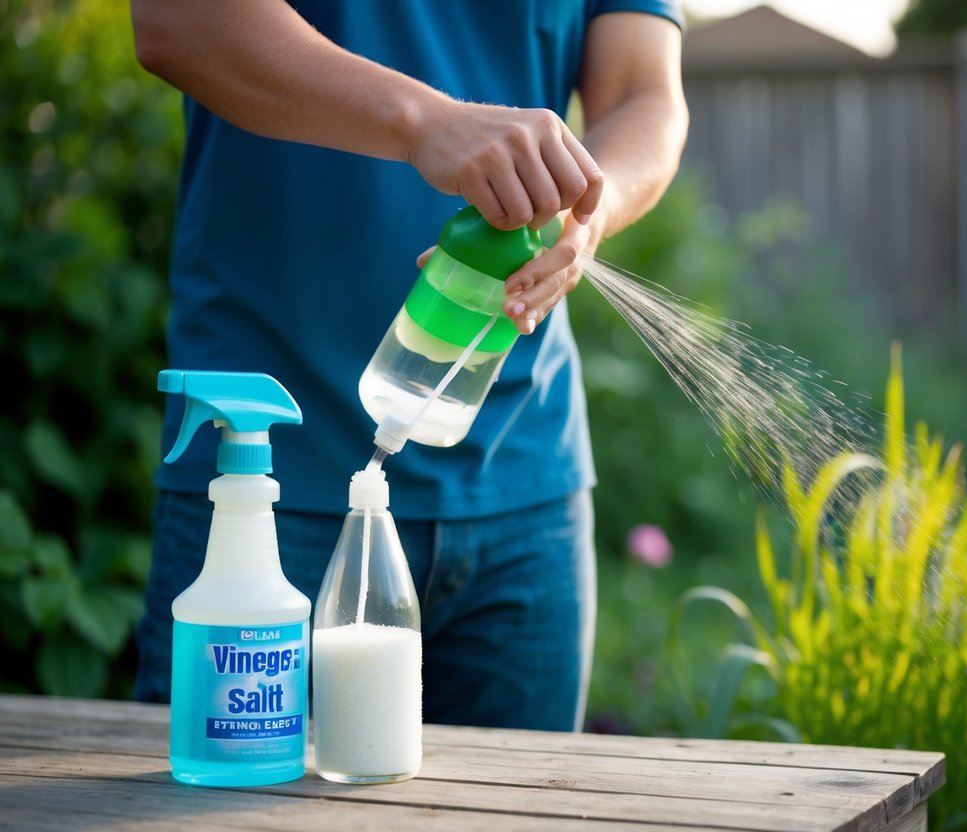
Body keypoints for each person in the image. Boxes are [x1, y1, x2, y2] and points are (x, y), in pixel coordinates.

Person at [128, 1, 688, 732]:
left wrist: (589, 210)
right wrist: (425, 121)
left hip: (523, 495)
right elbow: (178, 21)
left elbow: (645, 93)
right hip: (260, 481)